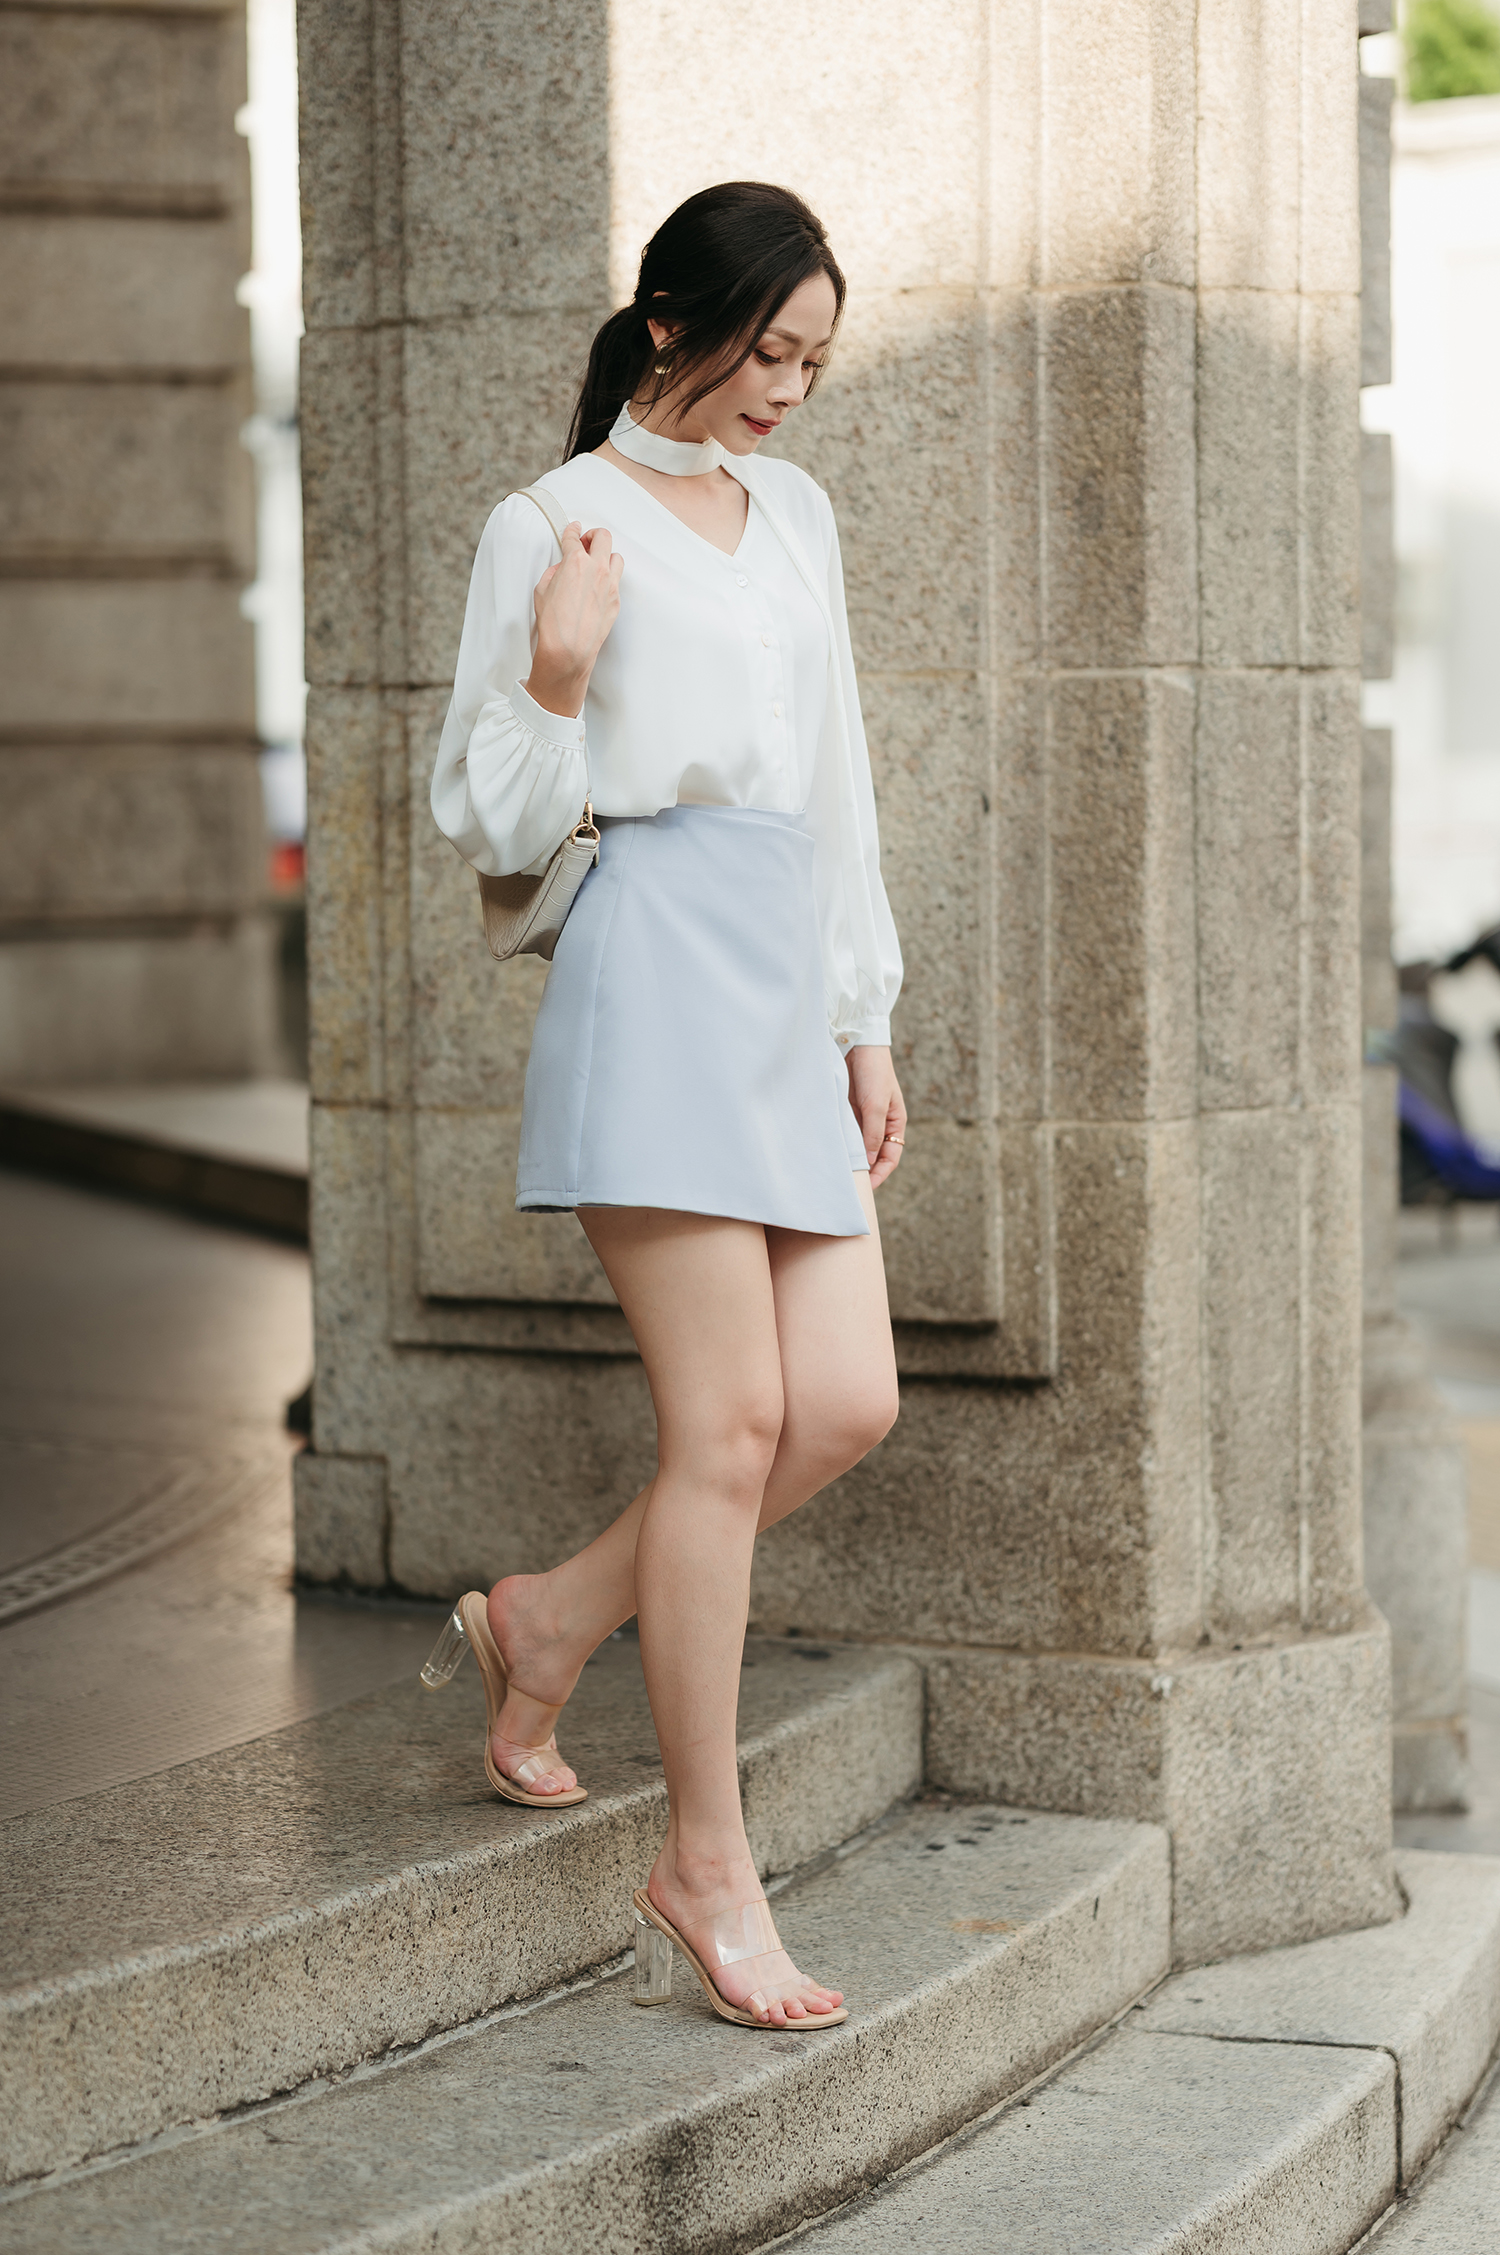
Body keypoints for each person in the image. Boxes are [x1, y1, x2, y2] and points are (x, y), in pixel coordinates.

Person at [426, 181, 905, 2031]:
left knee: (841, 1402)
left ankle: (548, 1619)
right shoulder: (549, 522)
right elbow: (485, 807)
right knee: (730, 1425)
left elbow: (837, 781)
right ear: (668, 326)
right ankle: (708, 1864)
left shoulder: (799, 517)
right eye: (768, 350)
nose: (788, 389)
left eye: (814, 362)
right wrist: (557, 672)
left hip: (785, 976)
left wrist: (865, 1019)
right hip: (652, 969)